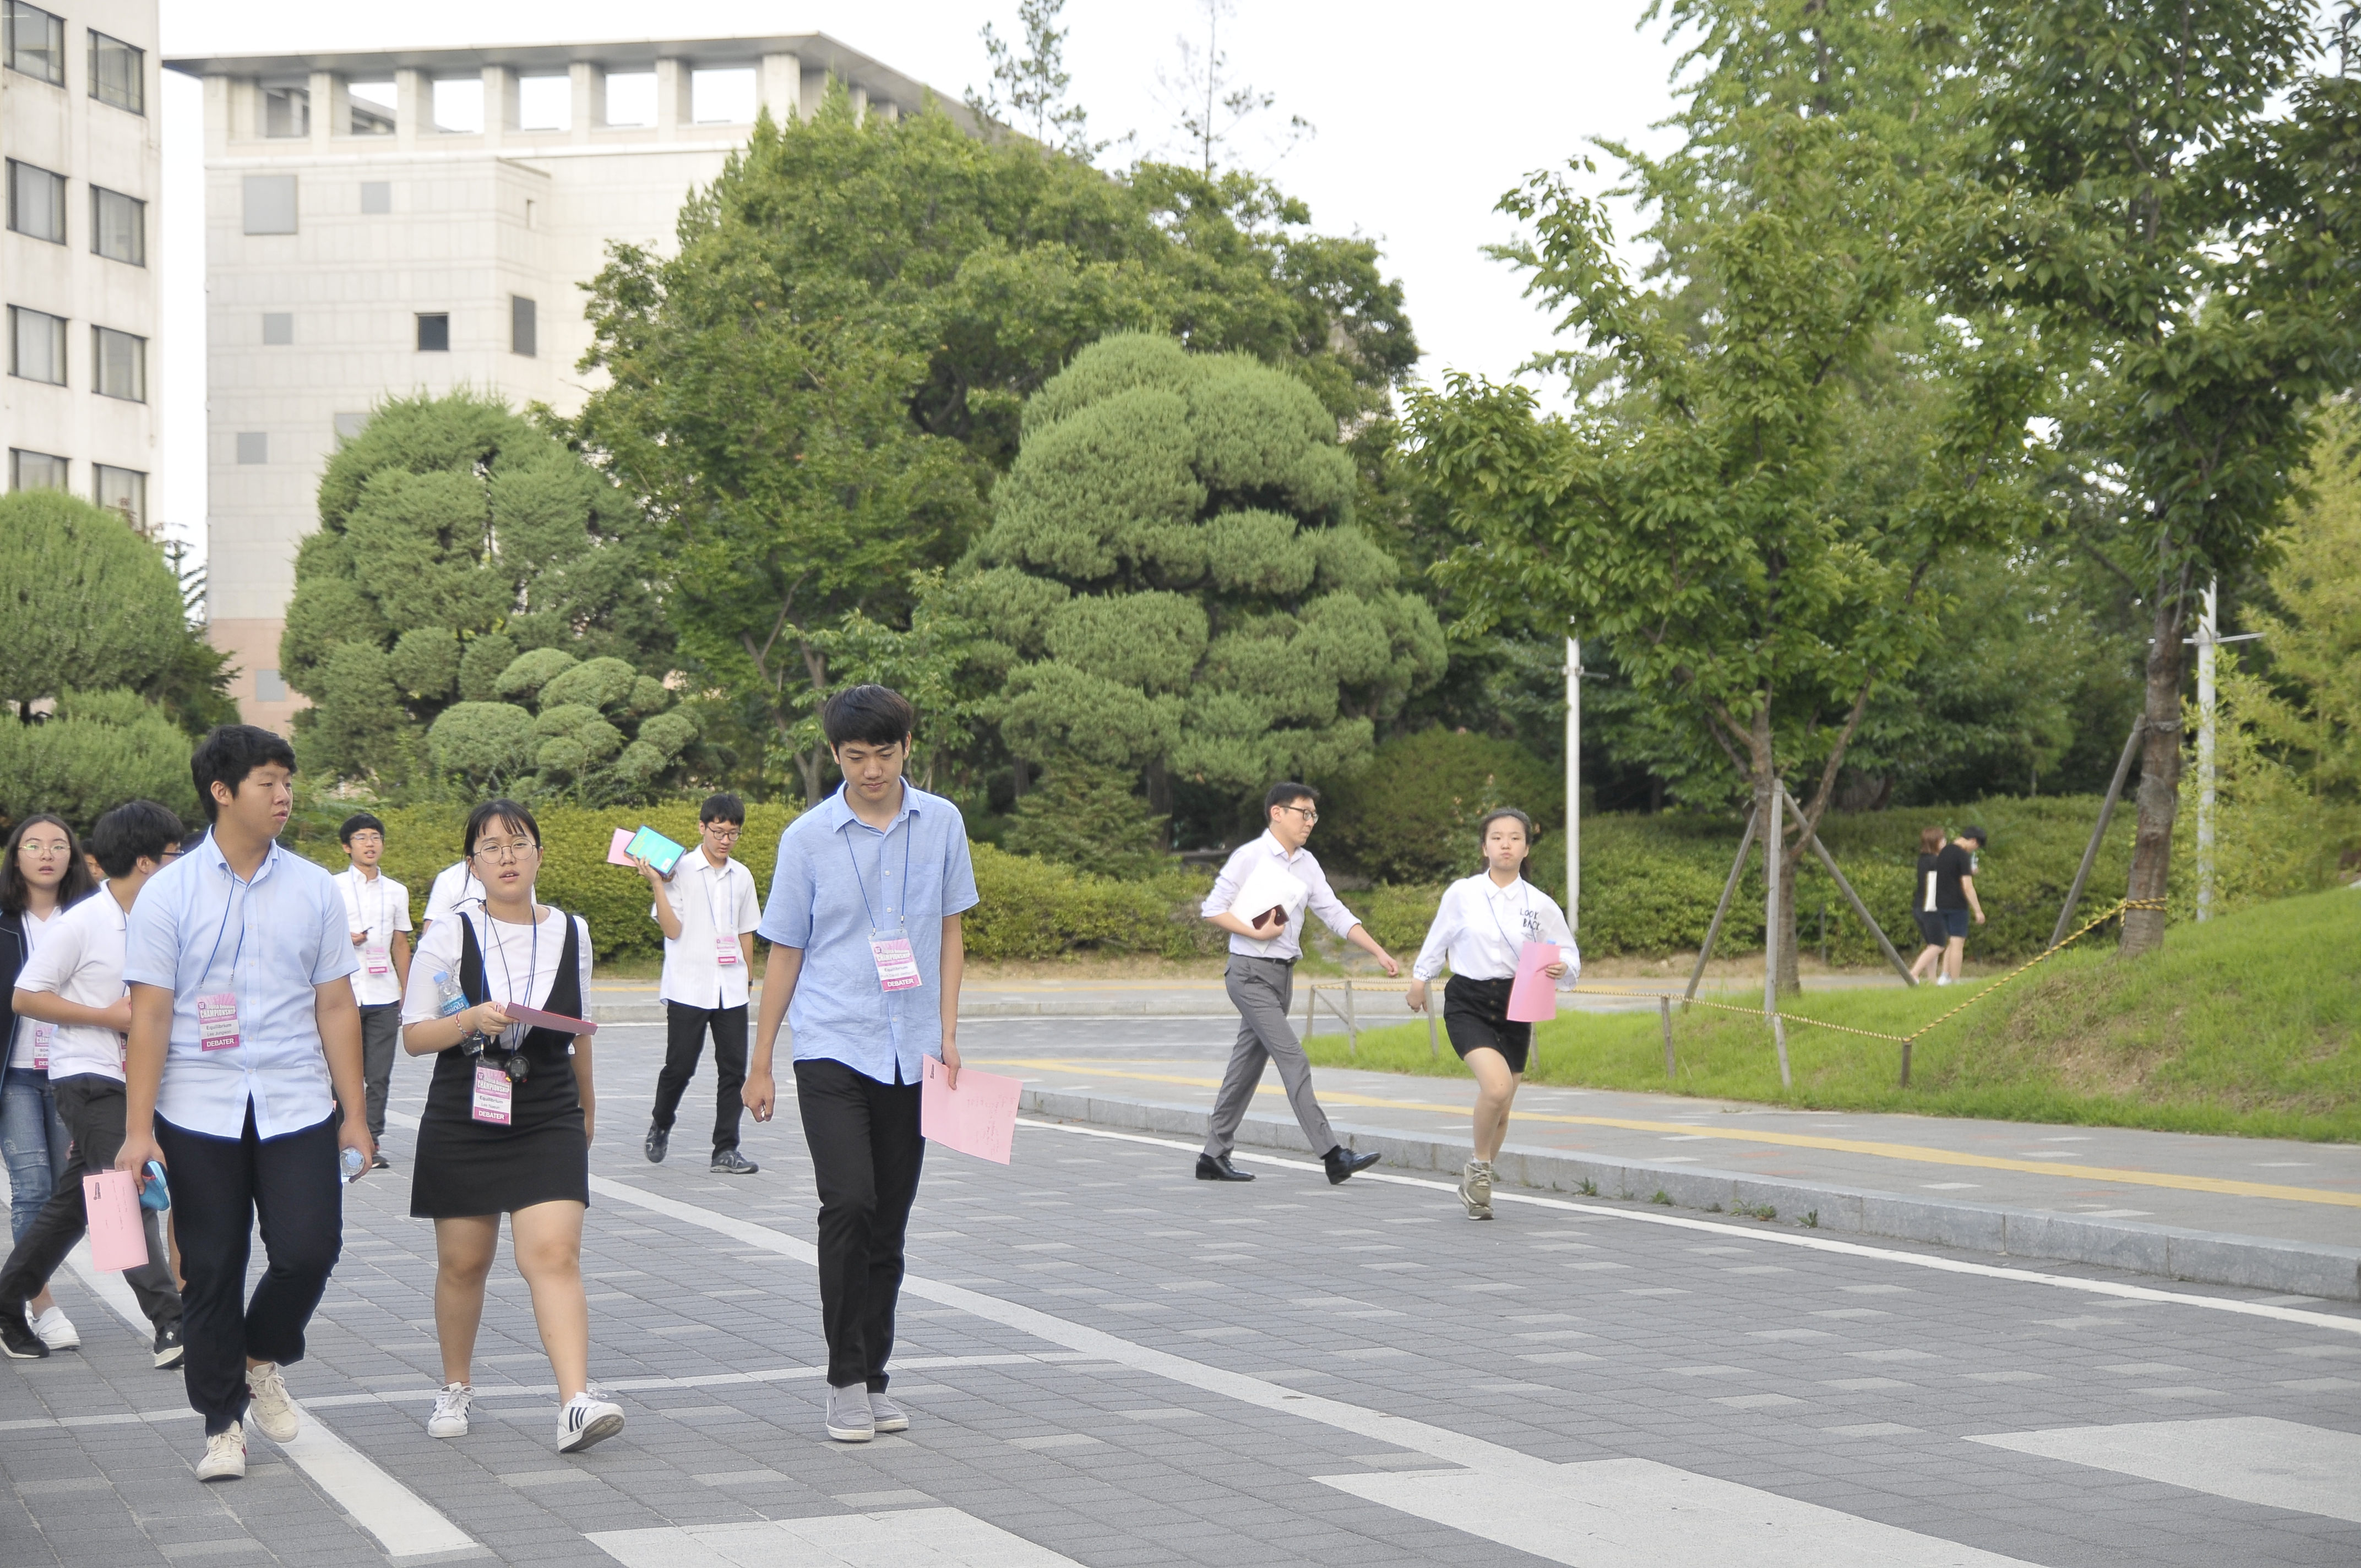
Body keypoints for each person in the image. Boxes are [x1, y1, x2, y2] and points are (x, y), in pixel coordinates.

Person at [113, 726, 376, 1484]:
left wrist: (353, 1113)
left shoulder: (315, 889)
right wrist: (138, 1133)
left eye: (288, 779)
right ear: (222, 792)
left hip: (296, 1102)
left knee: (308, 1250)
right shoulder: (169, 893)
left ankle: (263, 1356)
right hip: (198, 1107)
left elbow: (335, 1004)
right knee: (214, 1268)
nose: (284, 794)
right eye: (267, 781)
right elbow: (152, 1016)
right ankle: (221, 1422)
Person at [743, 684, 976, 1445]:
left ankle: (876, 1375)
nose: (871, 769)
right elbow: (786, 951)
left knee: (890, 1222)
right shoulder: (808, 838)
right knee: (848, 1203)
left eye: (884, 753)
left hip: (910, 1054)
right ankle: (843, 1379)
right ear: (834, 755)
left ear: (908, 745)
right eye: (855, 756)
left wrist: (947, 1032)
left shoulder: (941, 823)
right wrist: (761, 1061)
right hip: (832, 1044)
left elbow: (949, 932)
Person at [399, 798, 622, 1456]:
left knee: (552, 1253)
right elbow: (416, 1036)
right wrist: (472, 1020)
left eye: (518, 843)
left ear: (539, 855)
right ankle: (456, 1384)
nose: (506, 856)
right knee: (464, 1261)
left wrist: (587, 1107)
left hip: (547, 1103)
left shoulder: (572, 931)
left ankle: (575, 1402)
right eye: (490, 846)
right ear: (472, 863)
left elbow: (580, 1027)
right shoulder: (449, 932)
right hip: (466, 1102)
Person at [0, 802, 188, 1365]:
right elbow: (27, 995)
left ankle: (7, 1301)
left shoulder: (166, 918)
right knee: (121, 1193)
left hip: (142, 1081)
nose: (185, 866)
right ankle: (170, 1323)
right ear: (147, 861)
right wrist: (109, 1017)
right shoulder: (83, 921)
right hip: (88, 1076)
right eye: (177, 855)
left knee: (75, 1205)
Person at [1195, 783, 1399, 1186]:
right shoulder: (1249, 857)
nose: (1310, 822)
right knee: (1294, 1059)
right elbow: (1212, 910)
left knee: (1246, 1068)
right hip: (1249, 973)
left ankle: (1213, 1156)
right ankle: (1332, 1154)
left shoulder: (1308, 864)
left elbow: (1335, 912)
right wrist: (1255, 933)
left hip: (1282, 976)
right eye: (1303, 813)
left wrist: (1378, 951)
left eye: (1313, 815)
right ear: (1277, 813)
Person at [1405, 809, 1577, 1219]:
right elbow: (1438, 938)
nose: (1505, 844)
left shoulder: (1540, 904)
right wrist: (1420, 979)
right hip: (1468, 1000)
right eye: (1496, 837)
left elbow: (1569, 953)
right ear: (1484, 847)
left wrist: (1562, 968)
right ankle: (1480, 1168)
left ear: (1526, 848)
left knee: (1504, 1104)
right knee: (1496, 1088)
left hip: (1519, 1002)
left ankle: (1476, 1185)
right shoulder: (1462, 893)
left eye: (1515, 838)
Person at [1, 813, 95, 1350]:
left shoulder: (88, 919)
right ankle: (38, 1304)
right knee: (32, 1186)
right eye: (33, 845)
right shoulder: (3, 921)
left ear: (71, 856)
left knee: (72, 1189)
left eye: (58, 845)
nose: (46, 853)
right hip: (14, 1073)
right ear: (16, 857)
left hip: (71, 1072)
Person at [636, 793, 763, 1174]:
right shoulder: (680, 870)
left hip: (731, 988)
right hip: (689, 986)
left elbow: (746, 930)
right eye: (719, 831)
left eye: (733, 834)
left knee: (734, 1070)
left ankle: (725, 1149)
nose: (725, 840)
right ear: (702, 828)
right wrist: (657, 883)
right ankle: (661, 1122)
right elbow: (672, 930)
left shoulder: (742, 876)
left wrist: (748, 975)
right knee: (680, 1066)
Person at [336, 813, 411, 1169]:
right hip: (343, 996)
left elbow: (400, 943)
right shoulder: (331, 886)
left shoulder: (397, 891)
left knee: (378, 1074)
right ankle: (338, 1137)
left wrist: (407, 990)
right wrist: (343, 938)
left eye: (376, 837)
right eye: (362, 837)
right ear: (346, 846)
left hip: (383, 995)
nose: (370, 843)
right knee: (341, 1071)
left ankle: (373, 1140)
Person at [1931, 826, 1987, 986]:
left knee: (1952, 940)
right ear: (1973, 841)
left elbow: (1950, 874)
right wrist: (1978, 910)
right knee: (1958, 943)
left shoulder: (1944, 851)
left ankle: (1945, 976)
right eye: (1976, 847)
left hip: (1941, 902)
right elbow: (1968, 887)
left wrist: (1969, 871)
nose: (1974, 850)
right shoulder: (1962, 855)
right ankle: (1956, 981)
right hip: (1957, 904)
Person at [1907, 826, 1949, 984]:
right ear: (1936, 843)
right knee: (1938, 945)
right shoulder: (1936, 861)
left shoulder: (1923, 860)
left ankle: (1932, 980)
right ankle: (1914, 973)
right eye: (1942, 840)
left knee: (1932, 944)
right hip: (1932, 907)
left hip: (1919, 906)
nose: (1945, 842)